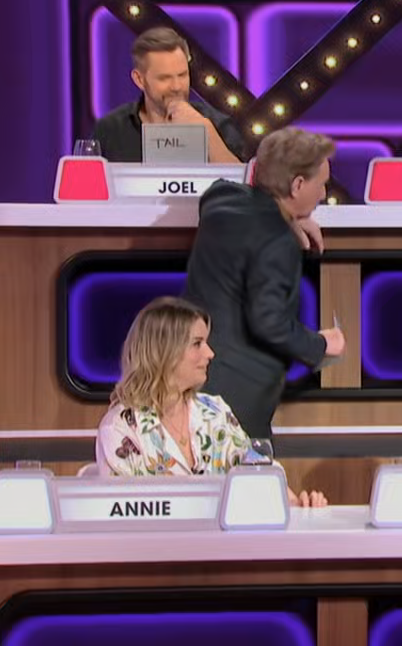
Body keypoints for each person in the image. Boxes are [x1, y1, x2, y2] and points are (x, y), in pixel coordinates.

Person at [182, 128, 346, 439]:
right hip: (238, 398)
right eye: (321, 184)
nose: (324, 194)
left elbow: (229, 191)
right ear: (297, 185)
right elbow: (269, 323)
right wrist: (322, 344)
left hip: (193, 375)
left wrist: (291, 216)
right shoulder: (278, 241)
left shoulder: (220, 200)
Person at [95, 296, 327, 506]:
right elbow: (126, 513)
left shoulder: (214, 411)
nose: (210, 353)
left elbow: (258, 471)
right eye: (197, 343)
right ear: (165, 352)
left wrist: (296, 504)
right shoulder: (120, 427)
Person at [92, 27, 248, 163]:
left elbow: (241, 184)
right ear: (139, 79)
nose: (177, 86)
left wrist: (206, 131)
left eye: (182, 75)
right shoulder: (110, 130)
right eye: (164, 78)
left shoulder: (218, 125)